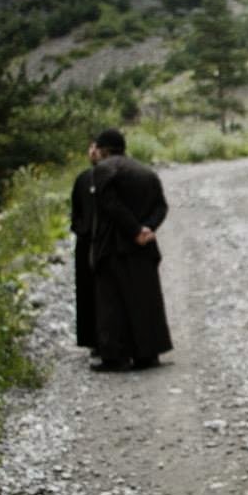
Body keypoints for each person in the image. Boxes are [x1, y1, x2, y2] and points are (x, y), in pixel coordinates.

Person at [89, 128, 173, 372]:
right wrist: (148, 228)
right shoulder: (146, 172)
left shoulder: (104, 170)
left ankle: (114, 356)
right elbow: (161, 206)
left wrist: (134, 230)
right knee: (145, 299)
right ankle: (147, 353)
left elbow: (111, 205)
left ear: (104, 149)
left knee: (112, 302)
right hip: (145, 246)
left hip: (115, 246)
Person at [70, 138, 101, 356]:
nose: (91, 152)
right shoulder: (82, 179)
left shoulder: (117, 177)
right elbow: (76, 210)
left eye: (96, 148)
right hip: (86, 241)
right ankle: (92, 340)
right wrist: (81, 230)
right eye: (89, 147)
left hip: (107, 243)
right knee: (88, 292)